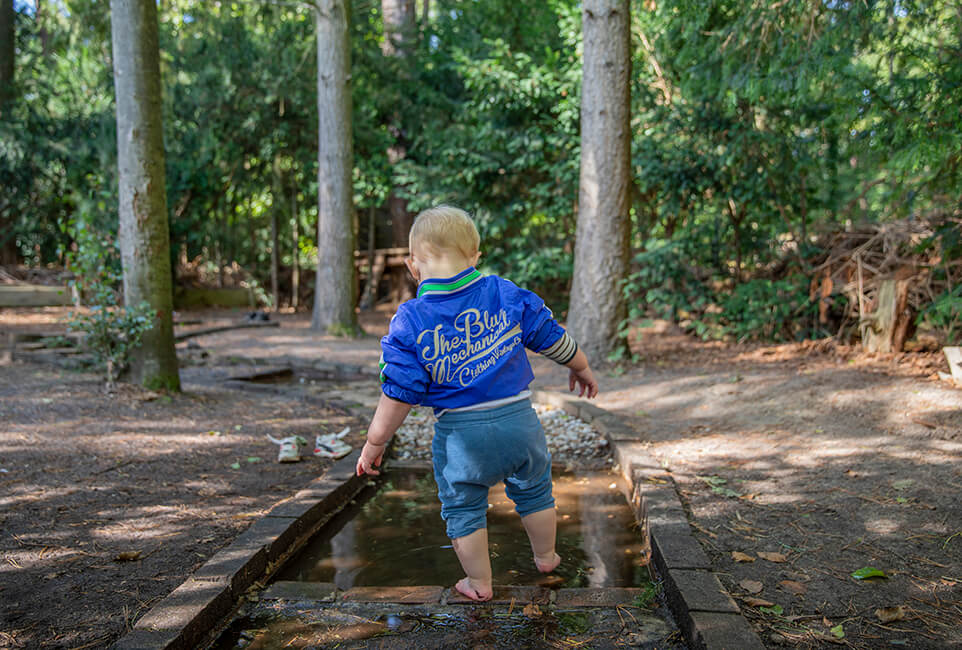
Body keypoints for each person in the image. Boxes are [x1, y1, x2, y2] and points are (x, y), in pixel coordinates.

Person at [355, 205, 599, 601]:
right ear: (474, 257)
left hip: (459, 437)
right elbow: (547, 332)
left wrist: (375, 442)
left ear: (412, 265)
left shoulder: (411, 319)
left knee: (464, 509)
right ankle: (547, 556)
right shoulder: (504, 293)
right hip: (520, 423)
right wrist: (581, 365)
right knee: (535, 491)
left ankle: (480, 584)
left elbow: (399, 390)